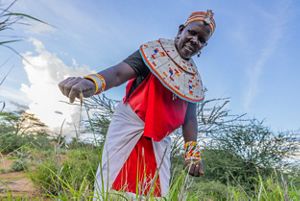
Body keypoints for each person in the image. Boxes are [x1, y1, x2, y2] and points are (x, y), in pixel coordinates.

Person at [58, 10, 216, 199]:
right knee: (112, 187)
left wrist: (192, 153)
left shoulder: (193, 80)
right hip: (129, 128)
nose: (194, 40)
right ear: (181, 30)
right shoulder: (153, 54)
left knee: (155, 192)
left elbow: (189, 118)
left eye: (201, 39)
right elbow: (118, 73)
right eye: (191, 33)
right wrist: (92, 83)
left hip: (159, 141)